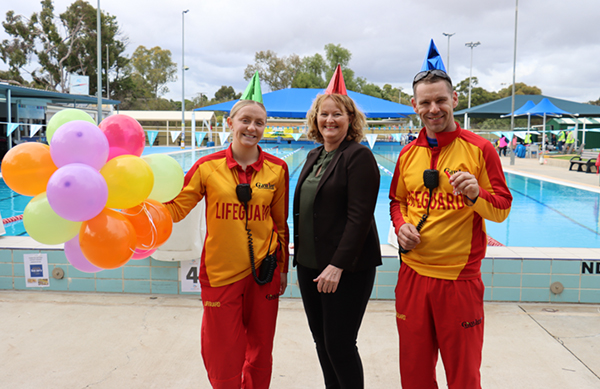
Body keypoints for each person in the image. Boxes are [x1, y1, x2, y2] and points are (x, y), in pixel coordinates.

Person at [389, 50, 513, 388]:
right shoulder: (407, 154)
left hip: (459, 282)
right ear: (414, 105)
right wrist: (401, 227)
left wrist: (476, 195)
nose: (433, 109)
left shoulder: (479, 150)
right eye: (425, 102)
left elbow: (502, 208)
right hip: (412, 276)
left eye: (440, 100)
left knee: (463, 376)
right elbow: (396, 201)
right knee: (413, 375)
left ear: (454, 99)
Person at [164, 73, 289, 389]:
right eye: (245, 120)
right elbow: (177, 207)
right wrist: (140, 208)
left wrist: (283, 269)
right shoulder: (207, 167)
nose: (252, 128)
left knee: (261, 350)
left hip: (264, 271)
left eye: (259, 122)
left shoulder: (277, 169)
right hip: (221, 273)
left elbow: (280, 223)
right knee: (222, 351)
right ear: (230, 123)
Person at [293, 65, 382, 389]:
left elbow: (360, 217)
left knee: (341, 344)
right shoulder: (314, 156)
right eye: (323, 114)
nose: (329, 120)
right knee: (322, 342)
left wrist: (337, 266)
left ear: (350, 120)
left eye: (337, 115)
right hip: (309, 266)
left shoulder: (358, 157)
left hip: (345, 270)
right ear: (315, 119)